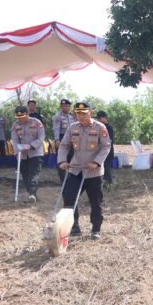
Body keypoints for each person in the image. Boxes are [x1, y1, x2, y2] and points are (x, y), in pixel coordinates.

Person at [57, 102, 112, 240]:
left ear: (90, 113)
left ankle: (95, 229)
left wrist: (96, 162)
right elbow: (64, 146)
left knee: (95, 202)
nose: (80, 116)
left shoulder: (100, 127)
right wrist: (62, 161)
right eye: (78, 113)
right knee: (68, 198)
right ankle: (74, 227)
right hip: (76, 169)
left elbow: (106, 146)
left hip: (94, 172)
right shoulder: (72, 127)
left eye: (83, 113)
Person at [10, 106, 45, 202]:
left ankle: (32, 194)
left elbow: (41, 137)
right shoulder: (15, 125)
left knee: (33, 173)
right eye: (18, 117)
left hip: (36, 152)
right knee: (25, 174)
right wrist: (17, 153)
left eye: (23, 117)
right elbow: (15, 140)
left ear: (27, 114)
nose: (21, 119)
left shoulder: (37, 122)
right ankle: (31, 193)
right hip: (22, 154)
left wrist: (31, 146)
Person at [53, 99, 76, 182]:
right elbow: (56, 129)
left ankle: (71, 178)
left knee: (72, 157)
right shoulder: (58, 116)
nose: (66, 108)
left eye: (68, 106)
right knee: (62, 158)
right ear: (61, 107)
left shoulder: (71, 116)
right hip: (62, 137)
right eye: (64, 106)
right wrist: (57, 140)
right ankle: (63, 180)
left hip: (72, 138)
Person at [96, 111, 115, 185]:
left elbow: (109, 140)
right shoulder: (102, 127)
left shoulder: (108, 127)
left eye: (100, 118)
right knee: (104, 167)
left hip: (108, 151)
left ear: (104, 118)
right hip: (103, 151)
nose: (99, 120)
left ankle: (109, 183)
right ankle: (106, 182)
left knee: (106, 168)